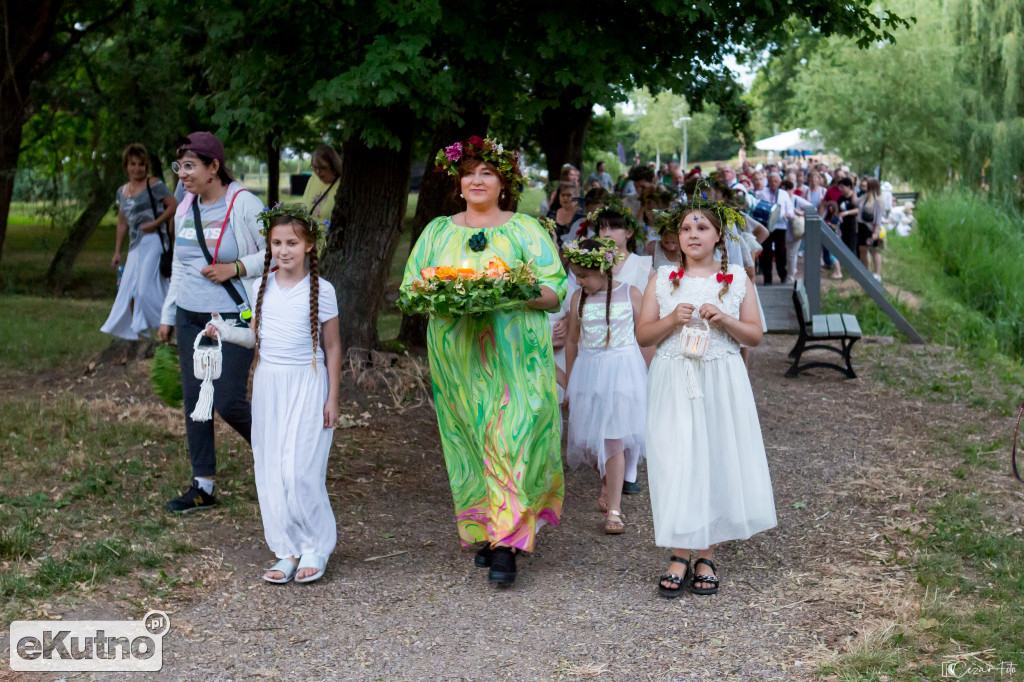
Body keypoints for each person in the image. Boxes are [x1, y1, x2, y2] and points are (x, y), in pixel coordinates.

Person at [401, 136, 567, 587]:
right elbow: (411, 291)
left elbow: (554, 294)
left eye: (487, 173)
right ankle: (487, 528)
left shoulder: (527, 230)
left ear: (503, 183)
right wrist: (439, 293)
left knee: (510, 437)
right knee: (471, 443)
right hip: (457, 359)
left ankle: (507, 544)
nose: (477, 180)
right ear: (458, 183)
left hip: (517, 359)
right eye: (469, 172)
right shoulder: (436, 231)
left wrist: (511, 290)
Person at [636, 199, 777, 598]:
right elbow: (643, 335)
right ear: (676, 238)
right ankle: (680, 552)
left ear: (718, 235)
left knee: (714, 457)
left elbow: (754, 335)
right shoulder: (663, 278)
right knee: (677, 457)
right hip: (675, 375)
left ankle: (706, 554)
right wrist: (670, 321)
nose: (692, 235)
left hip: (719, 376)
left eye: (700, 228)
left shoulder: (735, 276)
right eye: (685, 229)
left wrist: (725, 318)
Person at [205, 205, 340, 584]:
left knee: (300, 471)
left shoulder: (322, 290)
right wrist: (226, 331)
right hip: (269, 385)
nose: (284, 250)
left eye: (292, 243)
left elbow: (332, 348)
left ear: (309, 246)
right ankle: (288, 548)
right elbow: (257, 338)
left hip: (308, 384)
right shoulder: (259, 285)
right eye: (277, 242)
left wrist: (332, 397)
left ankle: (316, 545)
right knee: (271, 471)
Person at [158, 132, 268, 513]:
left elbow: (280, 250)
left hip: (232, 319)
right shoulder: (186, 206)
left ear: (214, 167)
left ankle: (278, 458)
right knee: (197, 403)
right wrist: (168, 315)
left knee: (227, 401)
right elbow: (180, 264)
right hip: (190, 318)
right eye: (179, 166)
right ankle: (202, 486)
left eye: (189, 166)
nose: (182, 174)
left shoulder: (244, 204)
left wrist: (234, 267)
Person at [563, 238, 646, 534]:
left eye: (583, 276)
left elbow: (643, 337)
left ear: (602, 269)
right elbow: (572, 340)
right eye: (575, 275)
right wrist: (572, 382)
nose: (578, 281)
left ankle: (614, 509)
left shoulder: (630, 294)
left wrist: (646, 375)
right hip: (589, 372)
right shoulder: (578, 299)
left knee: (613, 439)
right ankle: (606, 482)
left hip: (622, 372)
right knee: (593, 439)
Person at [594, 205, 653, 493]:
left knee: (631, 402)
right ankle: (610, 465)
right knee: (605, 405)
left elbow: (651, 307)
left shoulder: (642, 266)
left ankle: (630, 468)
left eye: (614, 227)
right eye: (602, 227)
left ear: (629, 232)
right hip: (600, 342)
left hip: (631, 341)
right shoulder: (593, 264)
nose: (607, 232)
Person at [101, 143, 177, 340]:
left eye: (141, 164)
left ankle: (167, 324)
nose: (137, 168)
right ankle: (140, 331)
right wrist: (117, 252)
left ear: (147, 166)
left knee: (144, 287)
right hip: (135, 245)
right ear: (126, 165)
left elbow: (173, 206)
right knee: (131, 289)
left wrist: (156, 223)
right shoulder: (122, 192)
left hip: (154, 241)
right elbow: (122, 223)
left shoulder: (155, 185)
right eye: (133, 164)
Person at [756, 172, 794, 284]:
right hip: (766, 227)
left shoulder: (784, 194)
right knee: (766, 253)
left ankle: (783, 275)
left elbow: (790, 210)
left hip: (780, 226)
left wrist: (785, 215)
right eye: (771, 181)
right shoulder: (762, 193)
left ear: (780, 183)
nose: (773, 184)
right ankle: (767, 279)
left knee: (781, 252)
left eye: (776, 181)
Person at [301, 144, 342, 222]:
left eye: (323, 168)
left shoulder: (342, 186)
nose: (318, 172)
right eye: (315, 167)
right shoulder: (313, 178)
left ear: (334, 166)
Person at [858, 178, 884, 280]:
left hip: (871, 228)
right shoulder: (864, 197)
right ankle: (866, 272)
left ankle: (877, 274)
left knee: (874, 251)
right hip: (862, 227)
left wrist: (875, 232)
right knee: (862, 249)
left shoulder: (878, 200)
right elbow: (855, 202)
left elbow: (878, 217)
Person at [836, 178, 860, 257]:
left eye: (843, 187)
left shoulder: (854, 197)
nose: (841, 189)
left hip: (852, 224)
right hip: (843, 225)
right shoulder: (840, 198)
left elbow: (858, 209)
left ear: (849, 187)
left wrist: (846, 213)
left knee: (852, 245)